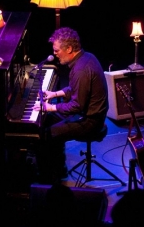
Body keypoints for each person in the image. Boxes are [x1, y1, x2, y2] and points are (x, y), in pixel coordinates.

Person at [33, 27, 108, 183]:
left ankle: (49, 178)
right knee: (47, 120)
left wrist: (51, 107)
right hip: (85, 113)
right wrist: (55, 94)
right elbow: (76, 90)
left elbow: (76, 106)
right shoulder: (86, 57)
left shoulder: (81, 69)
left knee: (46, 135)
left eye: (57, 50)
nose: (54, 53)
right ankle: (59, 168)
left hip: (90, 121)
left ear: (69, 49)